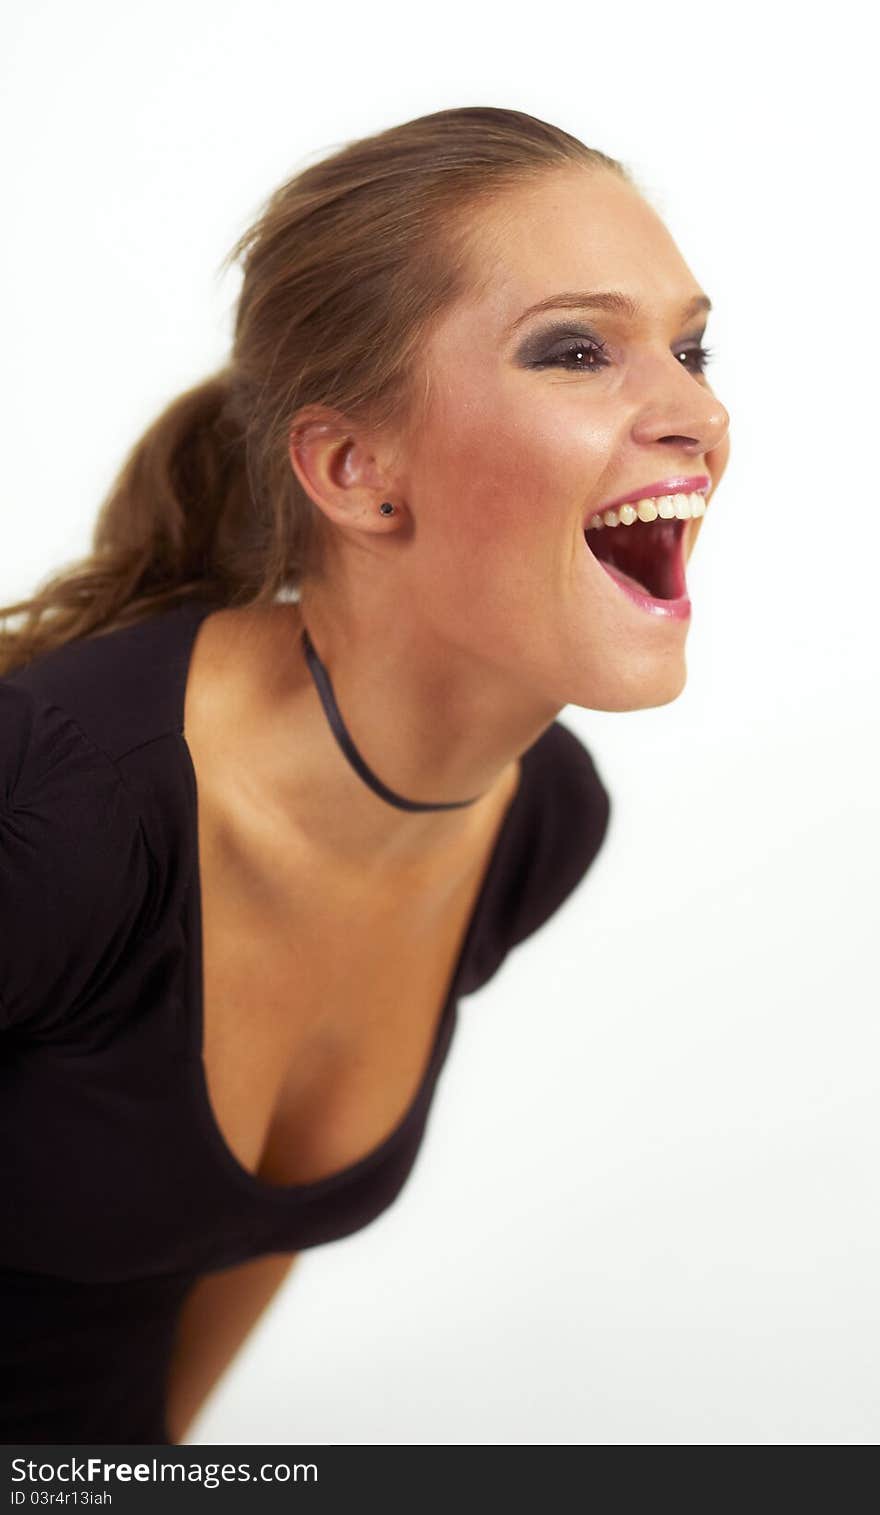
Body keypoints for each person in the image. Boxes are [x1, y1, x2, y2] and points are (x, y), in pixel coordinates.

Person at [0, 105, 730, 1445]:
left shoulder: (540, 821)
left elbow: (227, 1241)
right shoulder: (55, 820)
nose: (695, 411)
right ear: (353, 471)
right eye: (578, 351)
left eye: (690, 347)